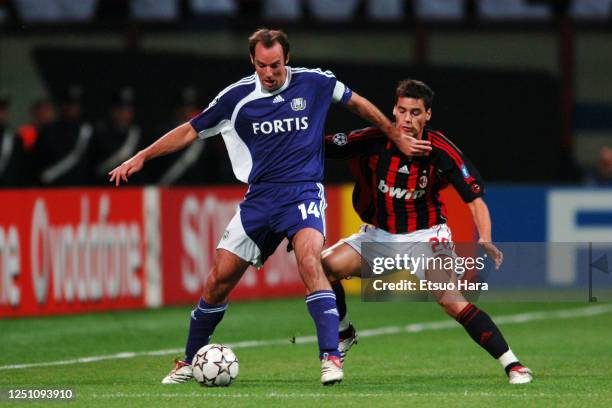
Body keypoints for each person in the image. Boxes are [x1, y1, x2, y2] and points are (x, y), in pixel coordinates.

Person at [109, 28, 431, 385]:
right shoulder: (236, 97)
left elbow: (355, 101)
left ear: (286, 59)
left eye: (275, 65)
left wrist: (391, 132)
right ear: (253, 62)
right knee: (218, 280)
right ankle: (188, 360)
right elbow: (189, 130)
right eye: (262, 66)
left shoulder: (315, 82)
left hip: (303, 192)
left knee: (310, 260)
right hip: (260, 199)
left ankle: (331, 357)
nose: (269, 73)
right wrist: (142, 155)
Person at [322, 79, 533, 385]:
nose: (407, 119)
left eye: (415, 112)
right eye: (402, 111)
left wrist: (484, 236)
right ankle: (343, 333)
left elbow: (474, 200)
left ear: (428, 115)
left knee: (450, 299)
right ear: (393, 110)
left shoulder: (440, 149)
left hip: (427, 236)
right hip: (379, 236)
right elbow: (321, 145)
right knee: (323, 267)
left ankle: (513, 365)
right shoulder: (372, 139)